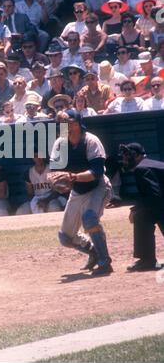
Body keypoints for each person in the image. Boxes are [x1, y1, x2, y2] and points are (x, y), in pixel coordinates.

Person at [50, 109, 113, 275]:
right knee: (66, 237)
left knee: (90, 219)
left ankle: (105, 261)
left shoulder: (91, 140)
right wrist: (56, 182)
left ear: (78, 124)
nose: (66, 127)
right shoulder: (59, 144)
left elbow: (97, 172)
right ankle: (93, 252)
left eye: (70, 122)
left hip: (97, 187)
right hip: (77, 191)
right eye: (63, 124)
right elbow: (54, 172)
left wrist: (73, 177)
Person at [119, 143, 164, 271]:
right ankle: (147, 259)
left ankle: (147, 260)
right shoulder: (147, 165)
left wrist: (135, 210)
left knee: (141, 216)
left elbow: (154, 197)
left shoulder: (141, 169)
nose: (124, 160)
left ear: (137, 156)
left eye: (127, 156)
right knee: (147, 213)